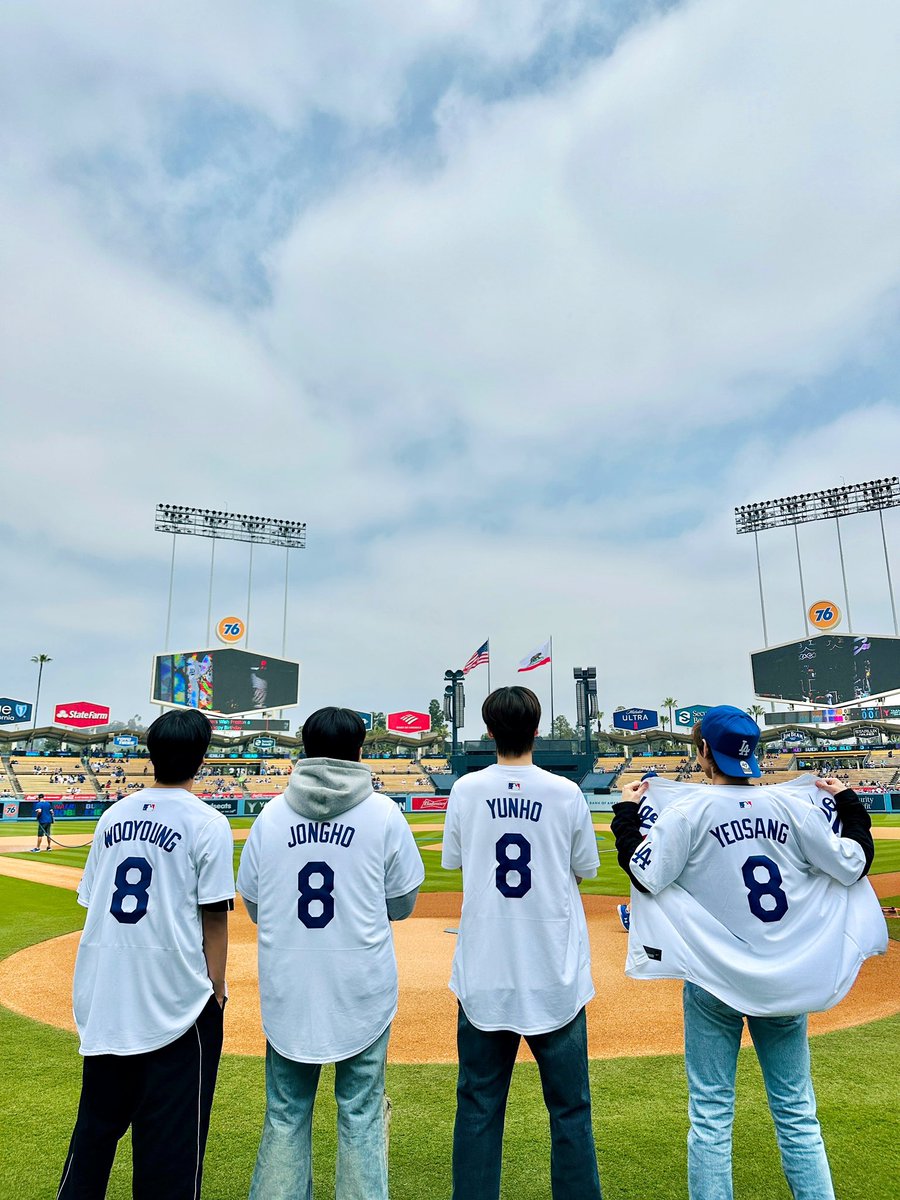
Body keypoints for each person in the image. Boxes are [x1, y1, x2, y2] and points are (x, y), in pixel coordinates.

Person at [611, 705, 878, 1200]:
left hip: (716, 981)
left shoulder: (686, 813)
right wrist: (849, 803)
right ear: (752, 754)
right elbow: (855, 864)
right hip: (787, 979)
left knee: (711, 1116)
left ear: (705, 752)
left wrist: (626, 814)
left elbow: (644, 873)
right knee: (797, 1113)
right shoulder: (794, 809)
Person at [238, 706, 424, 1200]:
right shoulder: (384, 813)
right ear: (360, 750)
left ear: (304, 748)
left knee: (285, 1114)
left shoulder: (271, 813)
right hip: (361, 987)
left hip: (288, 988)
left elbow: (253, 906)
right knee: (360, 1113)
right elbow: (403, 905)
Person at [58, 709, 235, 1199]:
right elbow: (214, 917)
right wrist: (216, 990)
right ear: (202, 759)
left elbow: (94, 902)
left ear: (149, 755)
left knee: (92, 1141)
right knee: (171, 1158)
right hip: (176, 1002)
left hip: (107, 997)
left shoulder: (113, 815)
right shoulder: (208, 822)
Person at [442, 686, 603, 1200]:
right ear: (538, 731)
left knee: (478, 1109)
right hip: (554, 972)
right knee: (571, 1111)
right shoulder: (566, 793)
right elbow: (581, 873)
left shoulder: (466, 790)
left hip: (486, 972)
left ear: (489, 732)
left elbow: (460, 865)